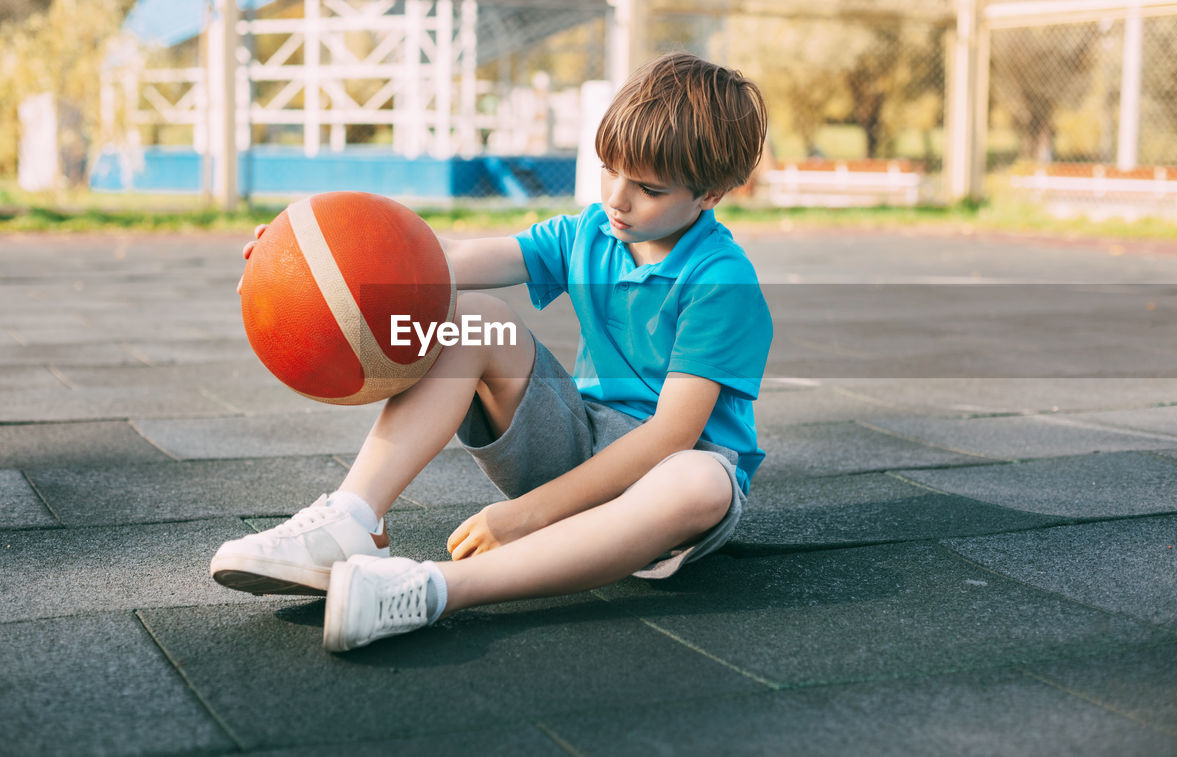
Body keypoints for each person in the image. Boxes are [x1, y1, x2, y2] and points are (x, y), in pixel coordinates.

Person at [210, 52, 773, 652]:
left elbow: (670, 436)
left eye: (649, 188)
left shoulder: (721, 281)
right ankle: (353, 519)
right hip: (580, 442)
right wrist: (300, 262)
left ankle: (430, 590)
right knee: (474, 319)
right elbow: (439, 263)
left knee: (704, 484)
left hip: (664, 479)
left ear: (710, 193)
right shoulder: (590, 233)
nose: (618, 198)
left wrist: (528, 514)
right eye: (610, 170)